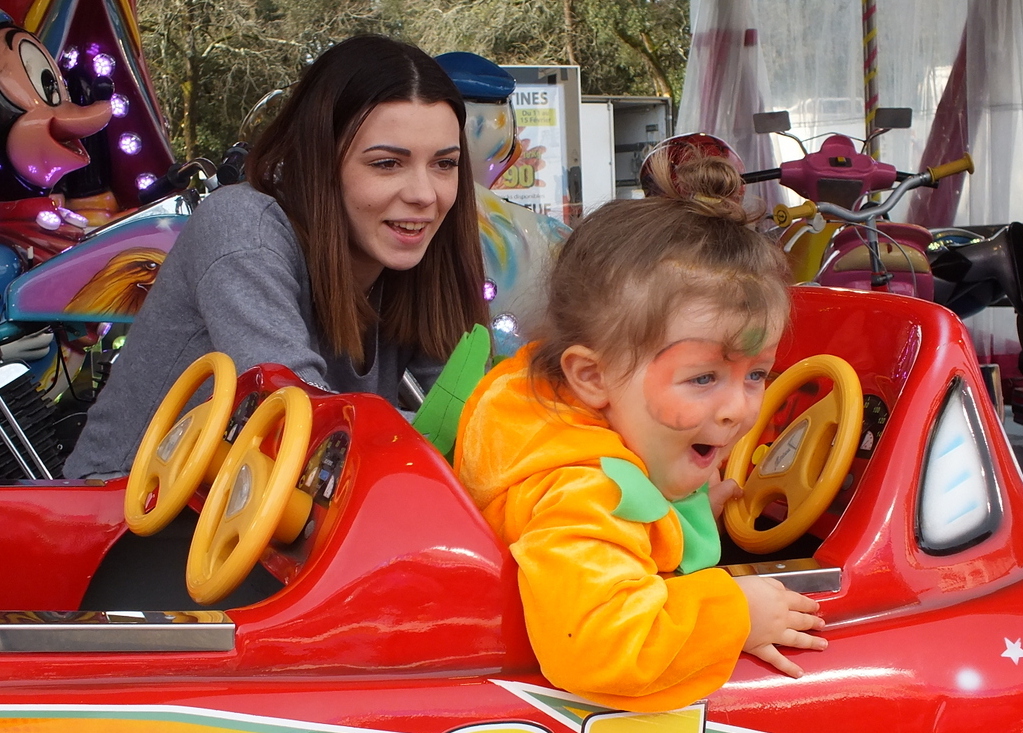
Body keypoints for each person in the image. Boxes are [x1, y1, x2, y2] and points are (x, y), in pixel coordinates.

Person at [453, 145, 826, 712]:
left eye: (756, 374)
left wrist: (688, 505)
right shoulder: (585, 496)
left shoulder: (542, 402)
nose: (738, 410)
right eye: (703, 378)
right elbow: (605, 645)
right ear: (592, 376)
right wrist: (736, 614)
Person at [64, 35, 488, 479]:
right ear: (318, 161)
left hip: (269, 526)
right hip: (127, 522)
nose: (424, 195)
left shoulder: (417, 257)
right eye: (386, 164)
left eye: (444, 164)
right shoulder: (243, 226)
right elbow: (297, 417)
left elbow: (470, 418)